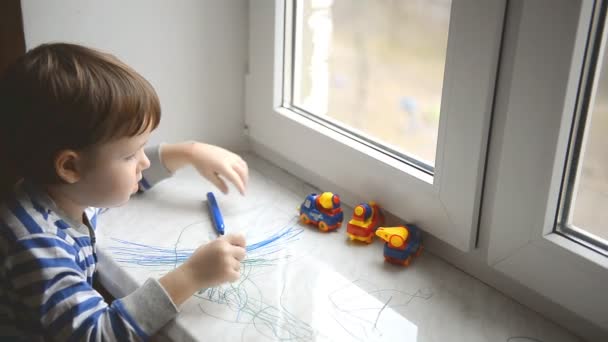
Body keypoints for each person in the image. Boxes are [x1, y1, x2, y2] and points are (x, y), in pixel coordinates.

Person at [0, 43, 249, 340]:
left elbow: (124, 183)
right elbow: (100, 335)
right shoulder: (38, 245)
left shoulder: (58, 193)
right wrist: (192, 275)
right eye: (130, 154)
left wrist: (188, 152)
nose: (143, 162)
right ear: (69, 167)